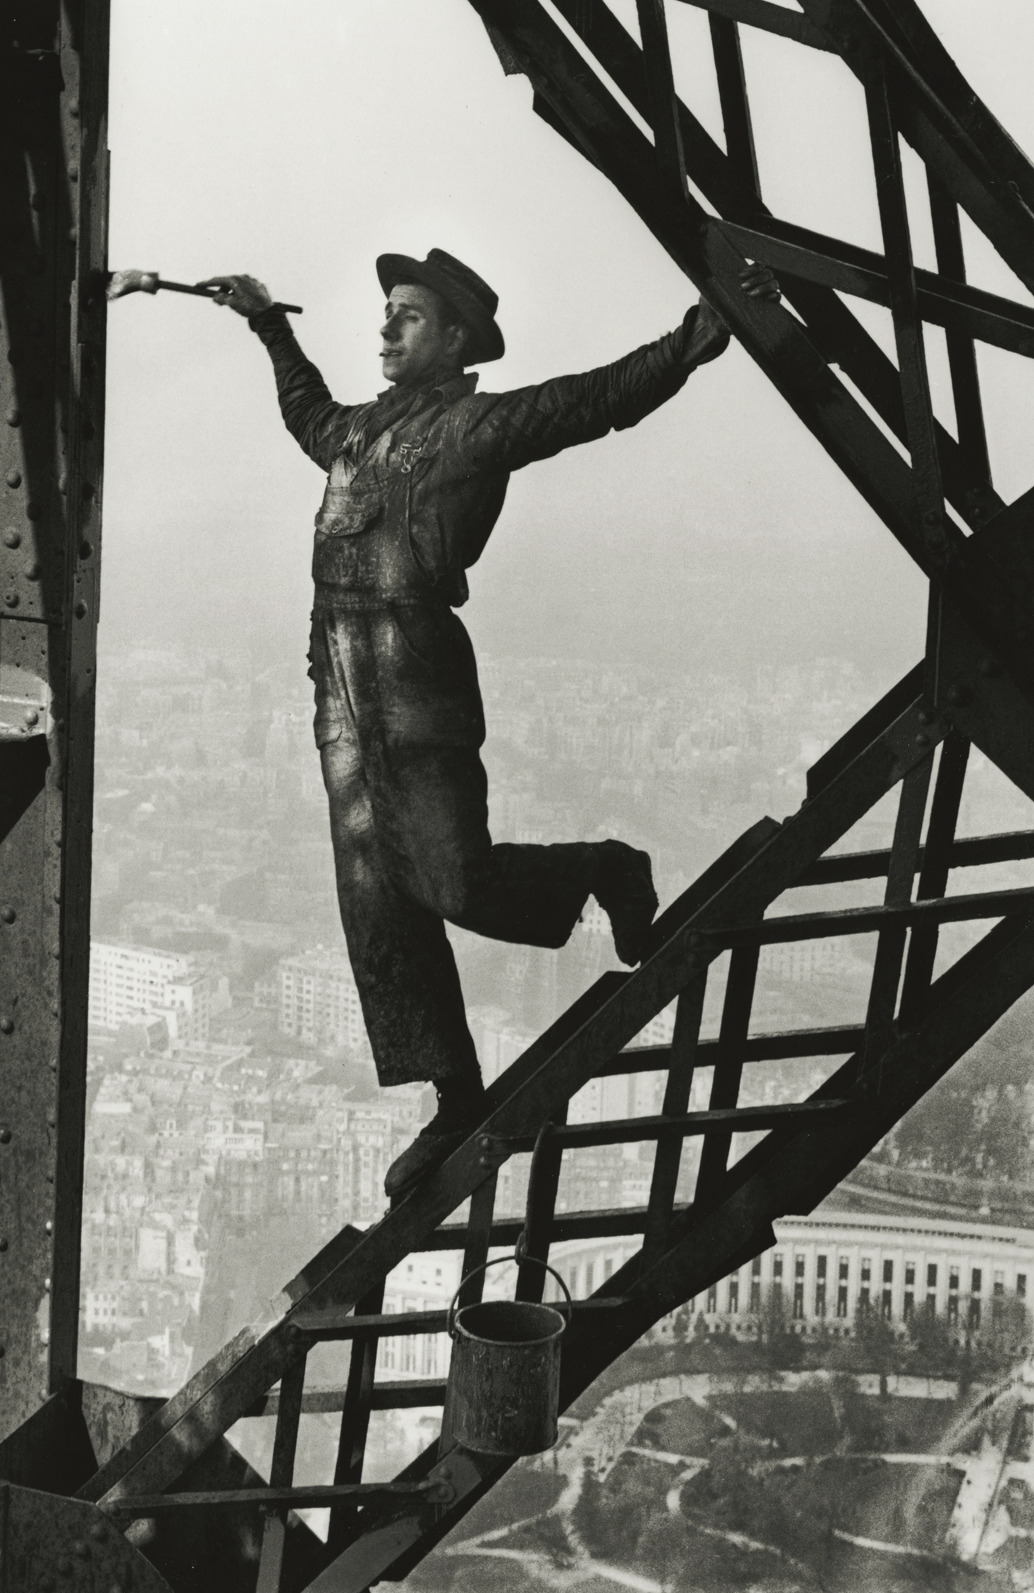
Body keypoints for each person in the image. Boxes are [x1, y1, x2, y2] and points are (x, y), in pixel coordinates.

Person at [200, 250, 779, 1197]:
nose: (387, 330)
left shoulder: (476, 426)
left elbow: (591, 401)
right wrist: (267, 322)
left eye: (410, 317)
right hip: (340, 686)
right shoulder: (353, 434)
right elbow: (303, 407)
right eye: (385, 313)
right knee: (376, 900)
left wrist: (689, 342)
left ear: (457, 339)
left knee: (452, 879)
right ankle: (453, 1093)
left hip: (414, 677)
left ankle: (601, 868)